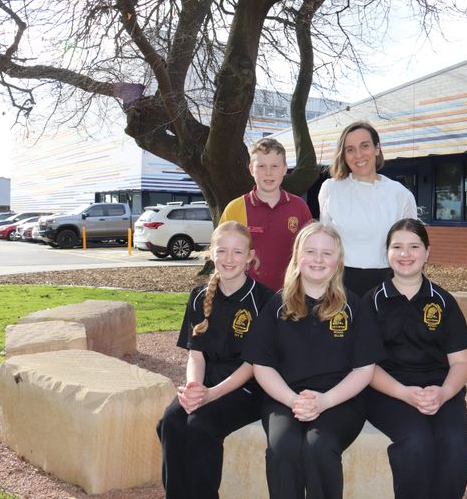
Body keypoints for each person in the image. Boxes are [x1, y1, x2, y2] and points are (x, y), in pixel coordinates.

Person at [242, 222, 385, 499]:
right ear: (297, 257)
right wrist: (292, 400)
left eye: (327, 253)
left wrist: (325, 401)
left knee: (318, 446)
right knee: (283, 448)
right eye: (311, 251)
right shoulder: (277, 306)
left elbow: (365, 368)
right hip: (284, 399)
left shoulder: (354, 307)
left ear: (338, 261)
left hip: (340, 401)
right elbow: (262, 365)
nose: (318, 259)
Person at [156, 221, 274, 499]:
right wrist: (194, 388)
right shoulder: (199, 296)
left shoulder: (264, 300)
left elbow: (253, 365)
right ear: (211, 253)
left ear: (250, 257)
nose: (229, 259)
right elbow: (196, 354)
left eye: (237, 252)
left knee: (200, 426)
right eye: (222, 251)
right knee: (170, 423)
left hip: (247, 387)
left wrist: (211, 395)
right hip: (207, 380)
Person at [362, 218, 467, 499]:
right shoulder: (371, 302)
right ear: (386, 253)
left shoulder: (443, 301)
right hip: (388, 390)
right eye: (397, 246)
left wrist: (444, 392)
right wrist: (403, 393)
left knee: (456, 443)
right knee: (416, 442)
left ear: (427, 252)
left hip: (440, 389)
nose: (405, 254)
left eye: (414, 246)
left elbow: (461, 362)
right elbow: (366, 366)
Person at [318, 121, 417, 297]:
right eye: (350, 149)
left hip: (386, 284)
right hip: (339, 285)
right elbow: (325, 243)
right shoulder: (330, 189)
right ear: (344, 155)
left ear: (377, 148)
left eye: (364, 146)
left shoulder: (400, 194)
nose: (358, 155)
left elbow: (411, 248)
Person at [220, 138, 313, 291]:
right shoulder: (235, 209)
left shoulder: (300, 207)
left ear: (284, 169)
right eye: (261, 166)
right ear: (251, 169)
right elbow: (221, 256)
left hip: (290, 296)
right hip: (246, 297)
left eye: (275, 166)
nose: (268, 172)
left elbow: (309, 255)